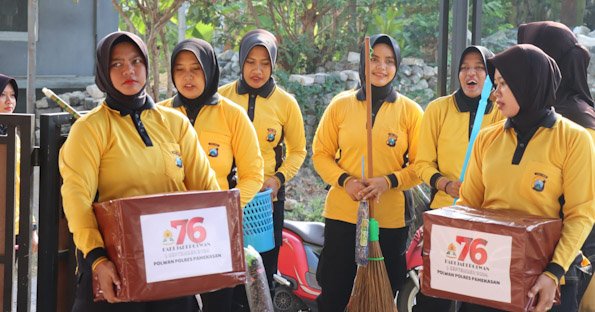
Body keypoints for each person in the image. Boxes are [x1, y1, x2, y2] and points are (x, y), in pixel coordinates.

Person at [59, 31, 219, 312]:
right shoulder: (90, 129)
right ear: (103, 72)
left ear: (147, 65)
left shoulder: (175, 124)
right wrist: (98, 259)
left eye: (135, 61)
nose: (128, 70)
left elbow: (208, 191)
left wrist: (217, 246)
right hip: (114, 266)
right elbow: (77, 200)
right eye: (116, 64)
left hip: (173, 262)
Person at [458, 44, 595, 312]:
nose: (495, 93)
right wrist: (440, 229)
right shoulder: (487, 138)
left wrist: (553, 273)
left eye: (503, 84)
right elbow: (468, 204)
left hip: (545, 281)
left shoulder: (573, 139)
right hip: (488, 271)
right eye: (495, 83)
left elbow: (582, 215)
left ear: (528, 84)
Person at [311, 34, 424, 311]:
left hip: (388, 219)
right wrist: (345, 181)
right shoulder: (341, 105)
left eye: (389, 61)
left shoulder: (410, 112)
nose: (381, 67)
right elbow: (321, 154)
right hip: (344, 214)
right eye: (374, 59)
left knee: (383, 293)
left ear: (397, 66)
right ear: (364, 62)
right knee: (335, 289)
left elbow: (422, 166)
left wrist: (388, 181)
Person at [158, 38, 264, 312]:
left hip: (216, 233)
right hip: (169, 232)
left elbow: (253, 174)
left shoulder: (233, 116)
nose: (188, 77)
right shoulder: (158, 115)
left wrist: (227, 210)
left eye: (196, 68)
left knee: (218, 303)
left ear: (209, 70)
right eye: (180, 69)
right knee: (173, 303)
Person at [413, 45, 503, 311]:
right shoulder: (438, 110)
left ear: (490, 75)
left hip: (485, 219)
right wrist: (446, 184)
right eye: (464, 68)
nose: (470, 73)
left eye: (478, 67)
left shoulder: (500, 112)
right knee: (434, 296)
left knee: (477, 299)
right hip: (444, 215)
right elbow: (422, 164)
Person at [218, 29, 307, 299]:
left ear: (273, 65)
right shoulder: (222, 98)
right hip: (227, 199)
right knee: (226, 273)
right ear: (241, 61)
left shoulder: (286, 103)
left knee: (262, 271)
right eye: (251, 62)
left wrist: (277, 180)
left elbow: (298, 151)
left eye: (264, 63)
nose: (257, 70)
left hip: (266, 202)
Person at [517, 21, 595, 312]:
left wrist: (556, 268)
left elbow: (581, 207)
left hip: (562, 259)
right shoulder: (566, 110)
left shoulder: (572, 123)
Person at [0, 74, 39, 252]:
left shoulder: (13, 135)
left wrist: (31, 228)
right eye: (2, 94)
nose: (9, 101)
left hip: (13, 226)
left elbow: (20, 184)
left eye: (13, 95)